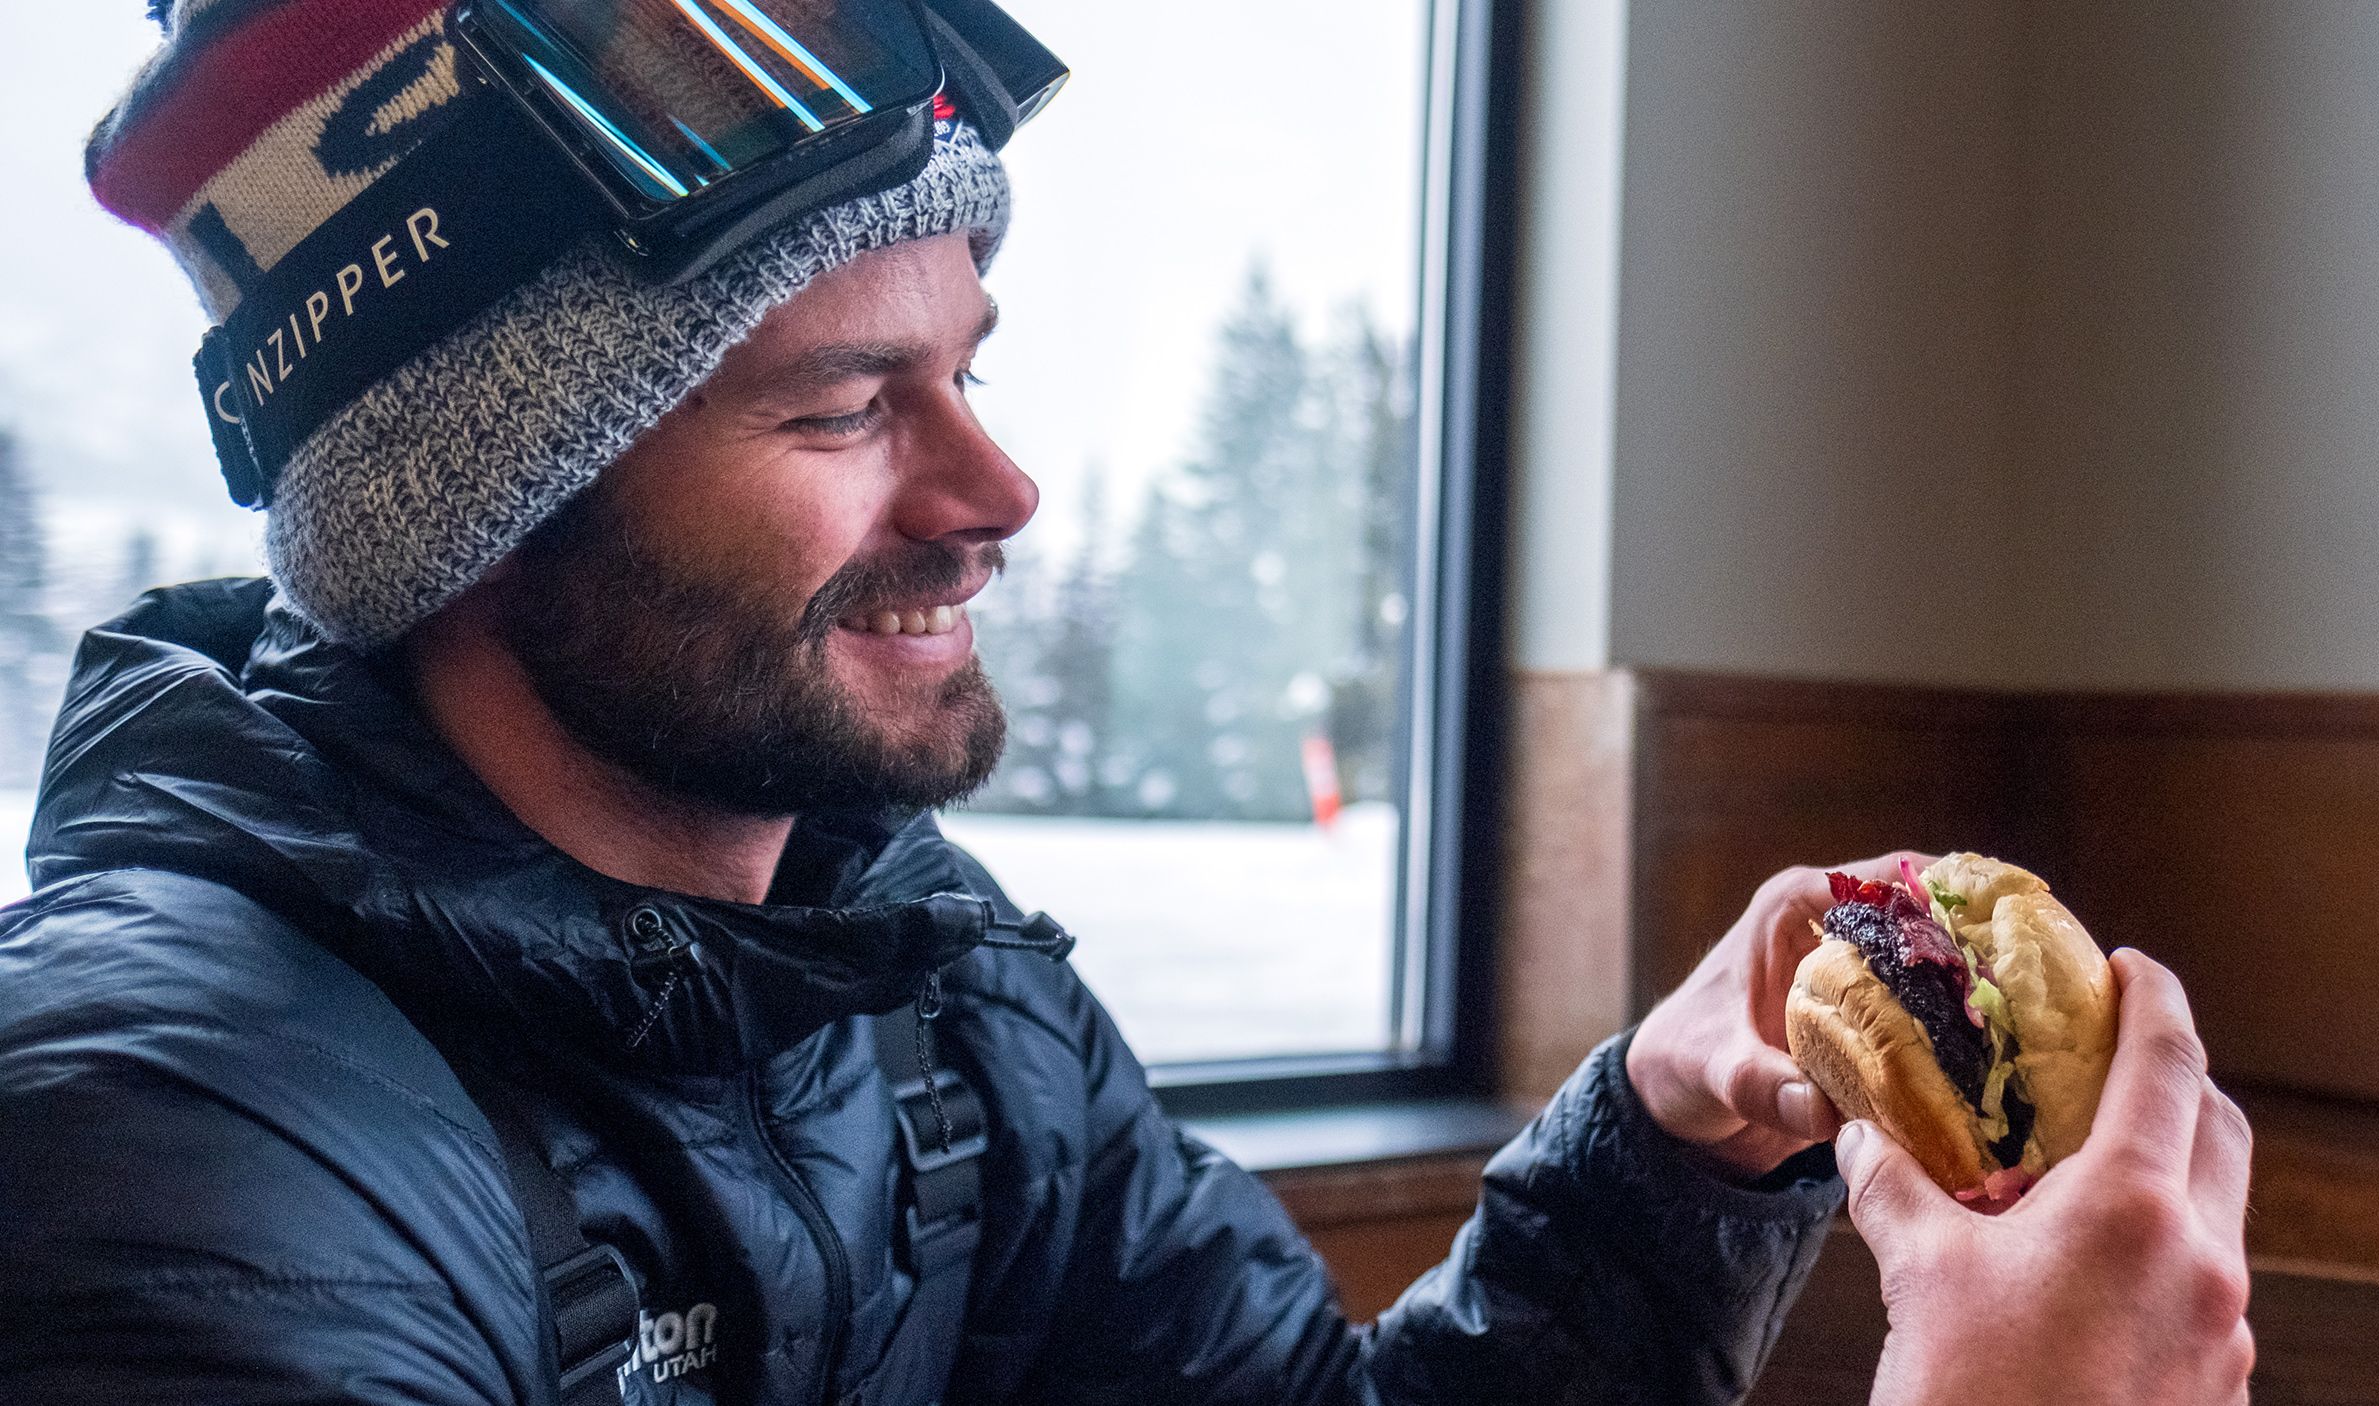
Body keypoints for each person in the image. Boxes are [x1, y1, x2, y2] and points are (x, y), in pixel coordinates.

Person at [0, 2, 2254, 1402]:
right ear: (475, 514)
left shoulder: (922, 990)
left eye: (968, 367)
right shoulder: (174, 1148)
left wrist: (1666, 1158)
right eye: (842, 408)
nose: (995, 489)